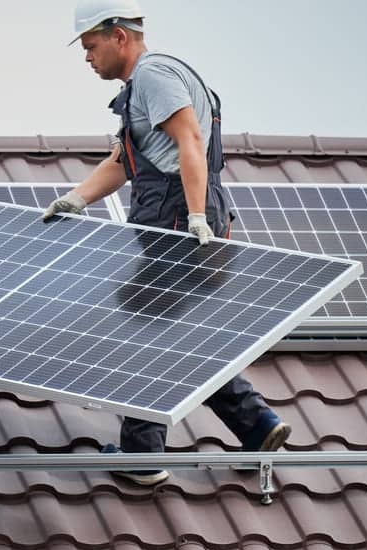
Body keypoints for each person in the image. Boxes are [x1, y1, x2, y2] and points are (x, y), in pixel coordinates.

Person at [43, 0, 291, 485]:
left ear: (120, 36)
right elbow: (124, 163)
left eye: (91, 46)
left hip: (178, 214)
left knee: (144, 328)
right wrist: (75, 199)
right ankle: (256, 424)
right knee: (178, 335)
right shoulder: (146, 85)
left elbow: (190, 141)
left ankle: (142, 456)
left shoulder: (154, 76)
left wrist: (195, 216)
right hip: (188, 212)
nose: (87, 58)